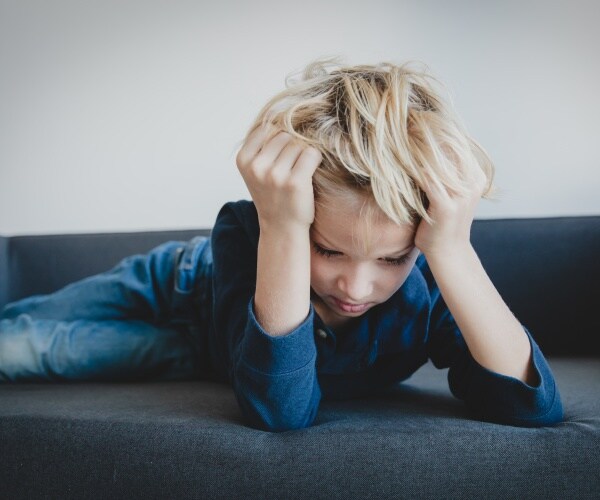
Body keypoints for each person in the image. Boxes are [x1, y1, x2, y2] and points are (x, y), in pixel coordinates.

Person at [0, 57, 563, 432]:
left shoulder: (435, 276)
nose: (357, 287)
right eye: (329, 249)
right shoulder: (249, 229)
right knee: (19, 335)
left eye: (392, 258)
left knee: (25, 355)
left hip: (215, 355)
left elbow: (281, 410)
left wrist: (454, 252)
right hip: (180, 282)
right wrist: (282, 227)